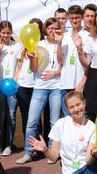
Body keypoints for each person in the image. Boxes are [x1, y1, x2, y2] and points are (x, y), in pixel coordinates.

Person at [16, 18, 63, 164]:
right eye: (50, 28)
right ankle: (29, 152)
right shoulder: (38, 44)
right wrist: (31, 59)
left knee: (54, 121)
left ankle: (52, 151)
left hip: (56, 87)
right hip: (40, 88)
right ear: (45, 30)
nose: (52, 31)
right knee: (31, 122)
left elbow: (64, 64)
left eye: (55, 28)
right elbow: (34, 69)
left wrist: (54, 73)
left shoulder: (62, 43)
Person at [0, 20, 19, 156]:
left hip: (12, 86)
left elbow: (19, 66)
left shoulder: (17, 46)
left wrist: (16, 82)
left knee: (12, 115)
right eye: (3, 33)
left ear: (11, 33)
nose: (6, 35)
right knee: (1, 115)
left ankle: (9, 144)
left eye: (8, 33)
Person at [58, 5, 89, 116]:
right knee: (67, 120)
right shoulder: (64, 36)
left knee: (81, 118)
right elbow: (60, 61)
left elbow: (89, 64)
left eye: (77, 17)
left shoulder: (88, 36)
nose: (74, 20)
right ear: (68, 19)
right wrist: (59, 43)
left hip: (80, 85)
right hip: (65, 84)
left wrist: (81, 85)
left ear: (81, 18)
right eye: (71, 18)